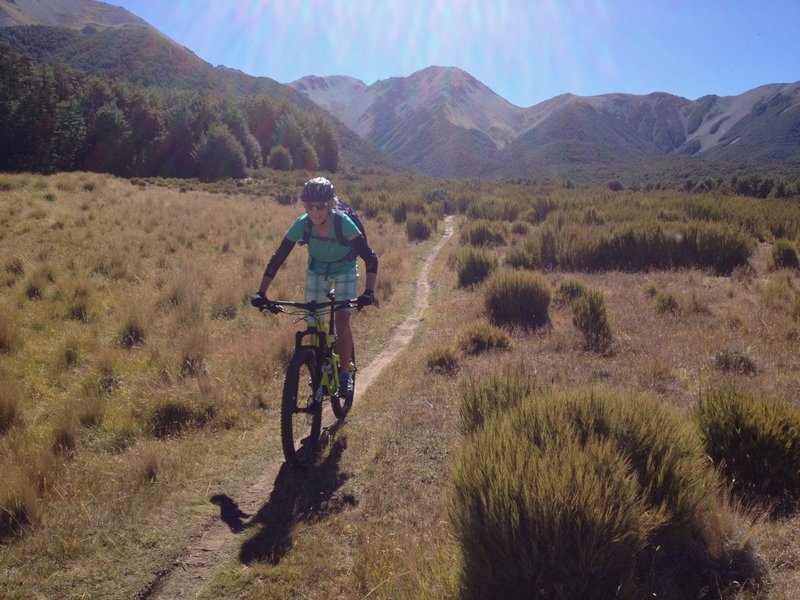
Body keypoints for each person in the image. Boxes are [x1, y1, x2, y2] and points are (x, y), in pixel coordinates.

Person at [251, 177, 378, 396]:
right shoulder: (303, 223)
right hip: (317, 271)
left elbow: (370, 257)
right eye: (310, 207)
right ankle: (318, 367)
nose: (316, 212)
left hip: (345, 270)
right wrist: (261, 292)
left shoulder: (343, 223)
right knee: (313, 321)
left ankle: (345, 375)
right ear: (305, 206)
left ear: (330, 205)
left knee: (341, 321)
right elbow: (279, 256)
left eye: (320, 206)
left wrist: (369, 292)